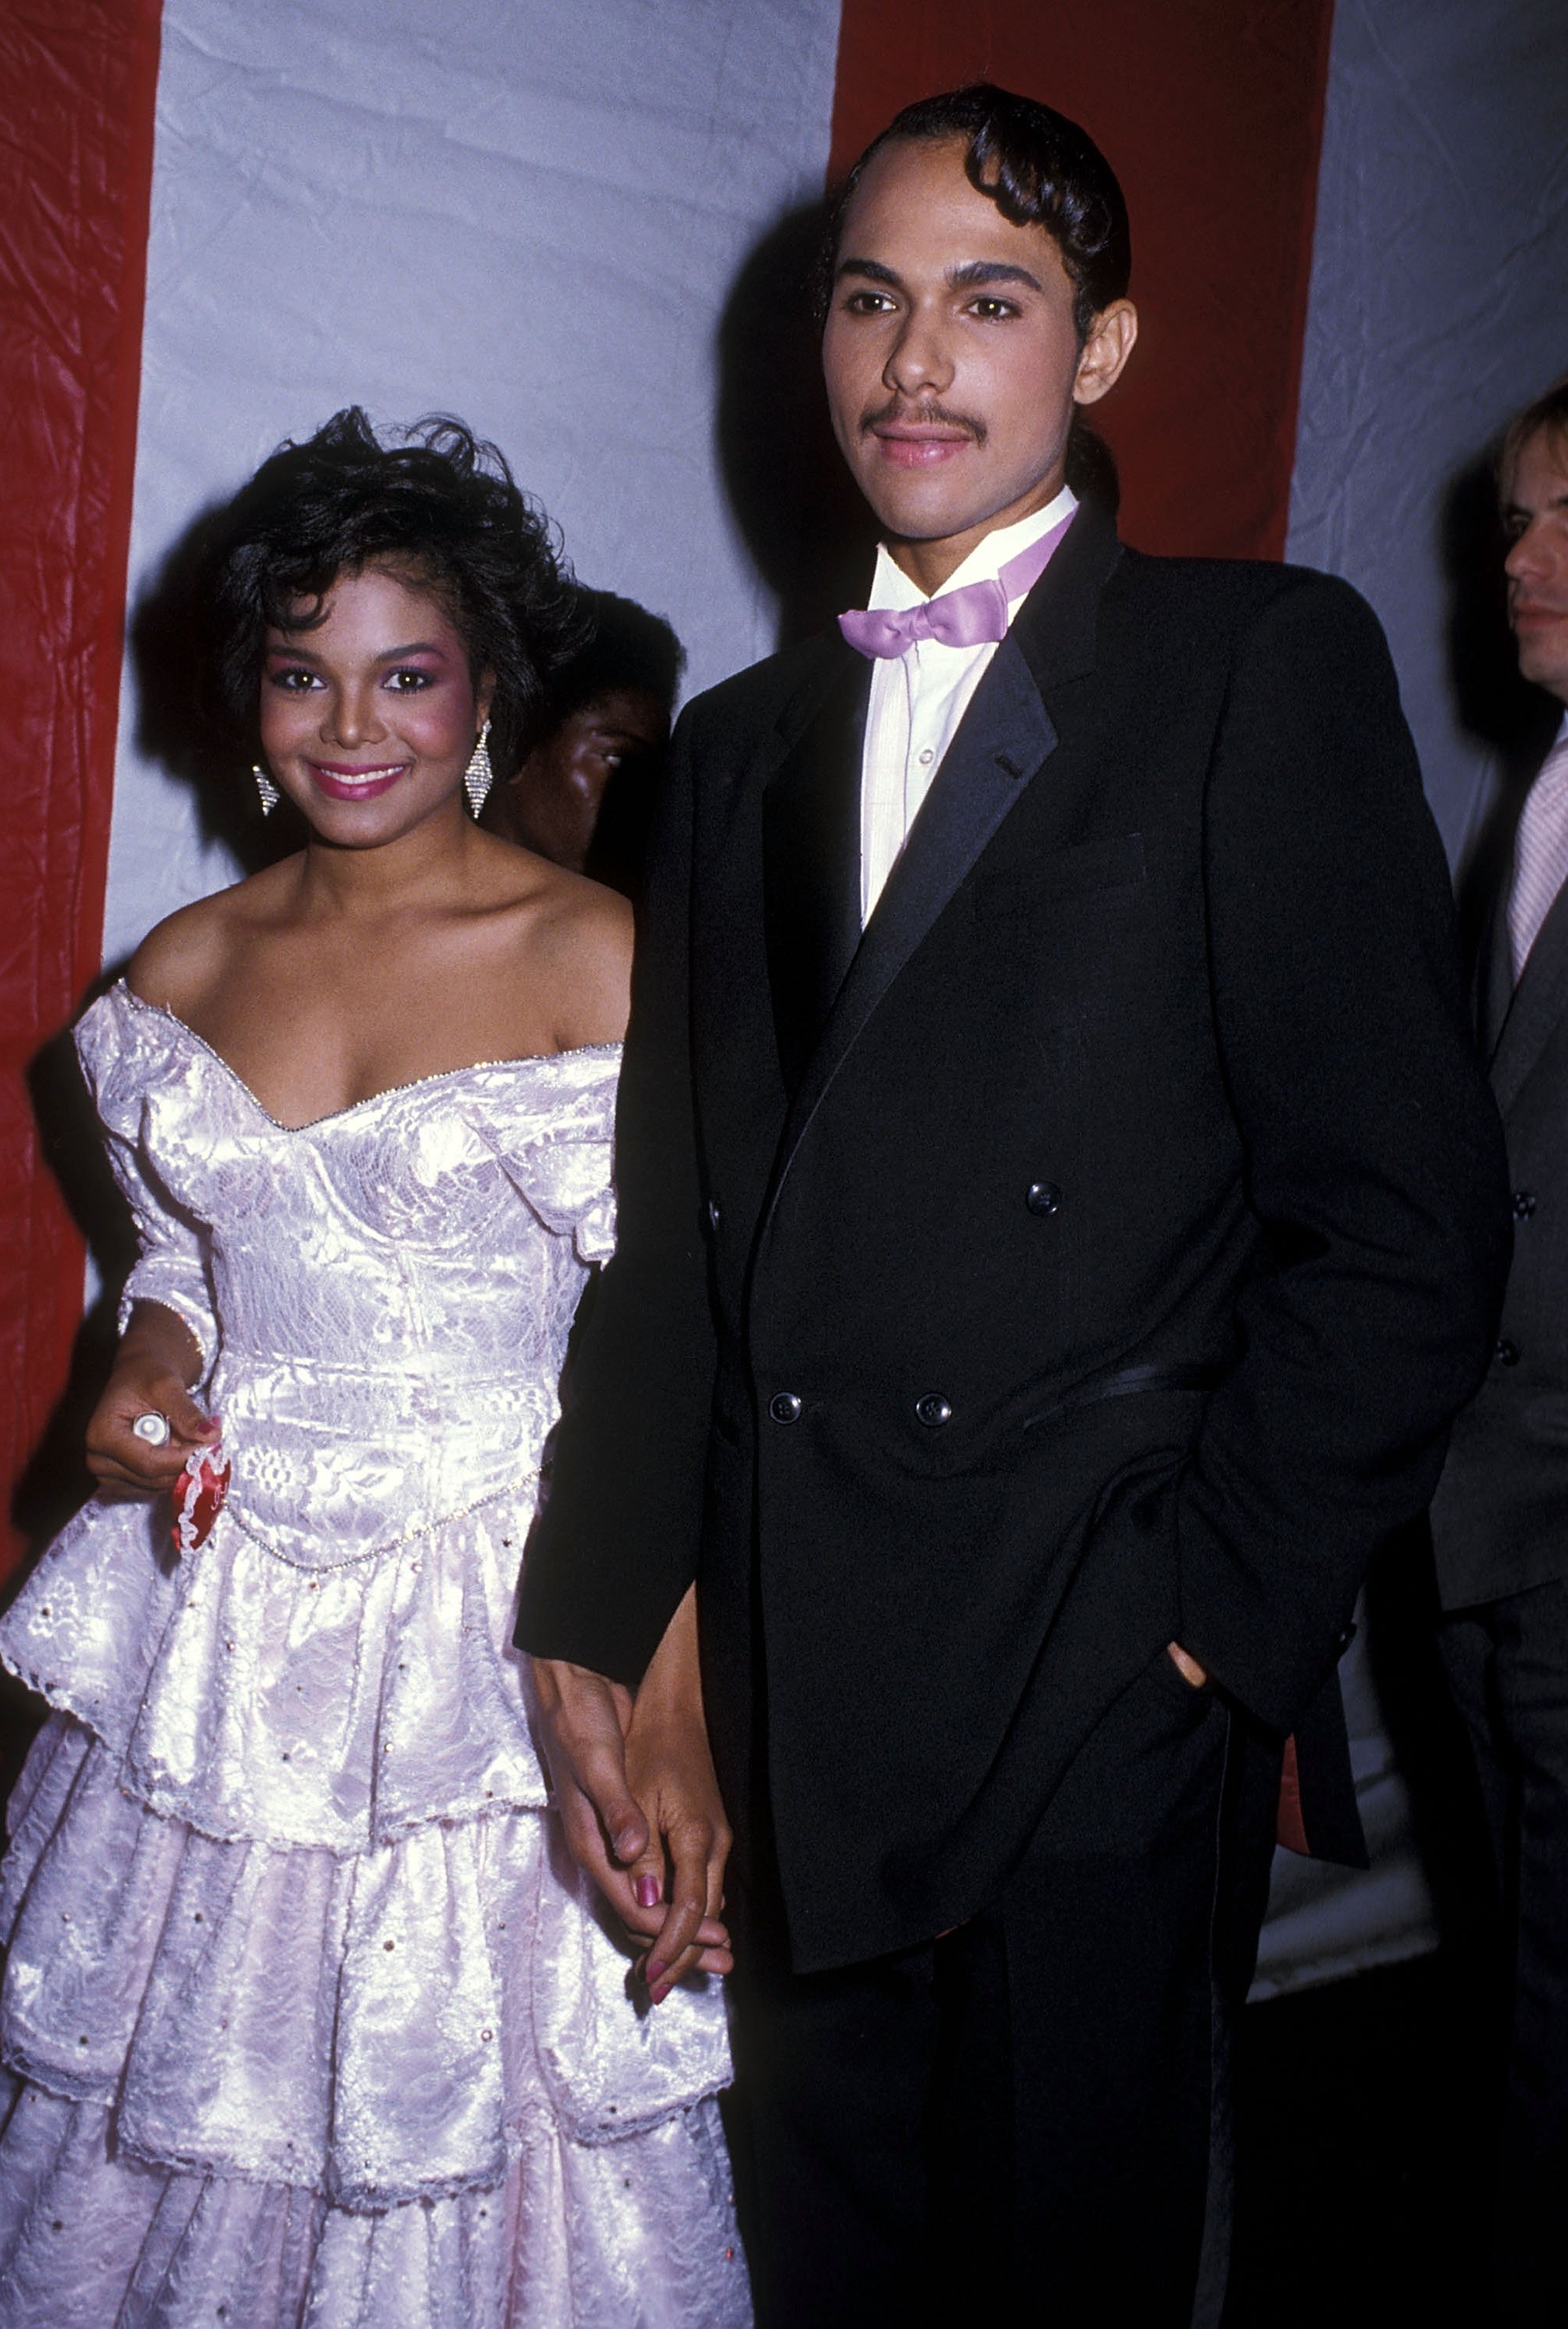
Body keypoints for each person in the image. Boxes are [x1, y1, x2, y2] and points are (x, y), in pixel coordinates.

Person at [515, 84, 1511, 2326]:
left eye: (989, 301)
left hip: (1087, 1654)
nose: (911, 363)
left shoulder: (1257, 664)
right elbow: (681, 1244)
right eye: (867, 301)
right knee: (825, 2260)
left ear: (1105, 348)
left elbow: (1409, 1224)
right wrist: (600, 1619)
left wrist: (1202, 1629)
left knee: (1069, 2272)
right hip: (793, 1661)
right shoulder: (737, 749)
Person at [0, 411, 751, 2329]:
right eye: (304, 674)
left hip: (505, 1634)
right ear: (250, 695)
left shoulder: (605, 958)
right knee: (178, 2108)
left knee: (457, 2131)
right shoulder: (177, 972)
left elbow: (679, 1354)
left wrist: (666, 1692)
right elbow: (179, 1256)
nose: (350, 723)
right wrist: (146, 1366)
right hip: (220, 1637)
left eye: (404, 673)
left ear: (484, 691)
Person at [1430, 372, 1568, 2319]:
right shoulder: (1531, 801)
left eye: (1567, 519)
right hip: (1480, 1534)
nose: (1516, 561)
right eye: (1512, 518)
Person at [478, 588, 683, 894]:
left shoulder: (625, 927)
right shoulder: (405, 902)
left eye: (653, 773)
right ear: (517, 738)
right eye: (616, 760)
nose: (638, 797)